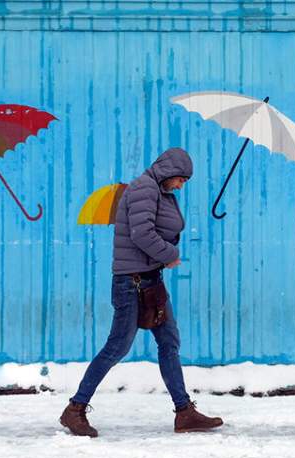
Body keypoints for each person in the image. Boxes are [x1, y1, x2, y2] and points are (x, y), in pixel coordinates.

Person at [60, 147, 223, 437]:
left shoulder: (160, 192)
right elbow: (141, 233)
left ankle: (184, 412)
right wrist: (169, 253)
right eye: (181, 179)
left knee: (169, 342)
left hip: (150, 280)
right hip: (130, 283)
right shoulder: (143, 189)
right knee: (117, 347)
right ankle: (75, 409)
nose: (182, 185)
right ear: (169, 171)